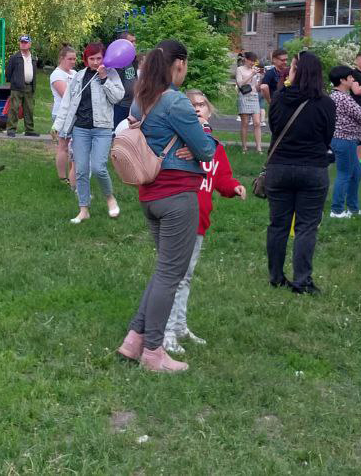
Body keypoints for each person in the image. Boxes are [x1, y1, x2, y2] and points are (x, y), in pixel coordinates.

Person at [114, 40, 215, 374]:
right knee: (171, 273)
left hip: (150, 195)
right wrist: (192, 144)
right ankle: (154, 352)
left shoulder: (142, 100)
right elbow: (206, 149)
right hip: (177, 197)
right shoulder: (176, 101)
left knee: (163, 270)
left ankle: (133, 339)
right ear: (180, 64)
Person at [162, 90, 245, 355]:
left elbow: (222, 179)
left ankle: (180, 325)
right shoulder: (178, 142)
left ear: (208, 111)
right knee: (173, 277)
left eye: (202, 105)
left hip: (200, 220)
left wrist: (234, 188)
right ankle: (164, 332)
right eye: (192, 105)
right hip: (179, 216)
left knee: (186, 277)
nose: (197, 109)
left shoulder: (215, 147)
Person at [264, 52, 336, 294]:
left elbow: (274, 129)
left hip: (280, 166)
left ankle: (275, 276)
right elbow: (328, 136)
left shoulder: (280, 98)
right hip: (313, 168)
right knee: (306, 226)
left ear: (296, 71)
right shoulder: (326, 103)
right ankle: (302, 280)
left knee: (278, 224)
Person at [53, 43, 124, 223]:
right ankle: (83, 209)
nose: (95, 62)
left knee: (99, 168)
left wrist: (104, 79)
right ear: (86, 59)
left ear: (104, 58)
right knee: (81, 170)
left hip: (103, 129)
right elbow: (68, 102)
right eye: (91, 59)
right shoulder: (78, 76)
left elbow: (117, 97)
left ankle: (110, 198)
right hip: (81, 129)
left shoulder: (111, 74)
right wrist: (58, 126)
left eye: (98, 58)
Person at [328, 64, 361, 219]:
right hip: (344, 139)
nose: (353, 79)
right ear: (342, 80)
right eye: (351, 77)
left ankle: (353, 209)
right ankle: (337, 210)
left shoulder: (335, 96)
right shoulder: (343, 97)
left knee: (356, 172)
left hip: (346, 140)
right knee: (344, 173)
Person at [49, 46, 77, 187]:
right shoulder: (57, 74)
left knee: (74, 147)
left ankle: (74, 175)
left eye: (74, 59)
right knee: (63, 146)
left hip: (75, 115)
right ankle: (62, 177)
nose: (72, 62)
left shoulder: (74, 73)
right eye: (69, 59)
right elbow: (67, 95)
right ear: (62, 58)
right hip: (62, 115)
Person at [4, 36, 38, 138]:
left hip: (29, 87)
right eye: (22, 42)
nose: (23, 44)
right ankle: (11, 129)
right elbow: (8, 72)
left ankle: (29, 130)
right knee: (14, 108)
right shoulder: (14, 57)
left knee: (29, 109)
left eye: (25, 42)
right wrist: (14, 82)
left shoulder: (33, 58)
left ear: (30, 44)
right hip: (17, 87)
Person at [235, 51, 263, 152]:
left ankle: (259, 148)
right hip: (244, 97)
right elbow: (240, 84)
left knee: (257, 123)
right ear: (245, 59)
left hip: (254, 97)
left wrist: (260, 78)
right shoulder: (239, 69)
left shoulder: (254, 70)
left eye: (254, 61)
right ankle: (244, 147)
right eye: (251, 60)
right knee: (245, 123)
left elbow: (256, 87)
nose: (252, 63)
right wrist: (252, 74)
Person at [112, 31, 140, 127]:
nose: (134, 44)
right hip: (119, 106)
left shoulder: (133, 60)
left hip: (132, 105)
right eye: (131, 42)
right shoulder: (116, 61)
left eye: (135, 41)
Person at [259, 49, 288, 117]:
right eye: (282, 60)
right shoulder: (270, 73)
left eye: (286, 59)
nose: (285, 62)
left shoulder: (289, 71)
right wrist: (270, 102)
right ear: (274, 60)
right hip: (277, 106)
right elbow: (263, 87)